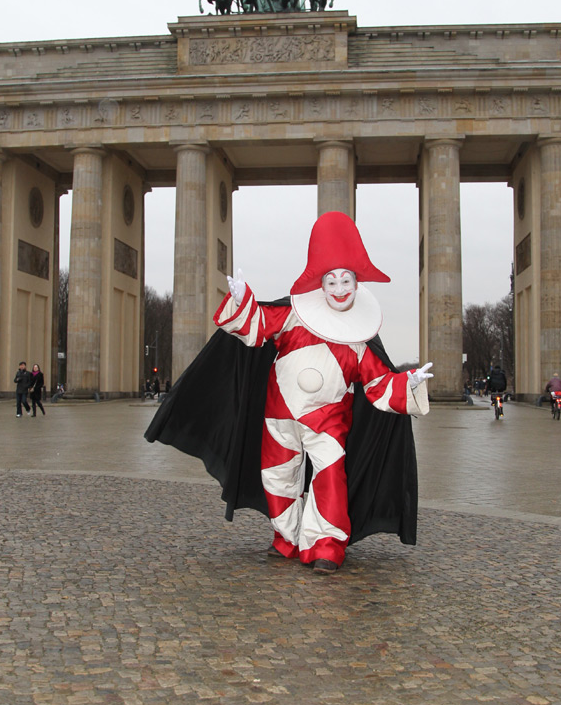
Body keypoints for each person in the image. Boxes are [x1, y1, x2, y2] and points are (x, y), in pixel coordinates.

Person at [146, 212, 432, 575]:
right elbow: (258, 327)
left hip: (328, 421)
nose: (339, 288)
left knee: (330, 478)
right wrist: (243, 301)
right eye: (332, 280)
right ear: (321, 284)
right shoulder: (295, 315)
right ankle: (288, 537)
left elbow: (378, 385)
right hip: (279, 414)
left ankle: (326, 546)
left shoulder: (360, 340)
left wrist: (409, 382)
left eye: (346, 280)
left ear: (357, 283)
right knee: (278, 477)